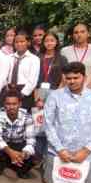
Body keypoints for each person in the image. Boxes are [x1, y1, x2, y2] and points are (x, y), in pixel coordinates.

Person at [42, 62, 91, 183]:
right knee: (51, 182)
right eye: (68, 78)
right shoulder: (55, 96)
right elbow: (48, 125)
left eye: (76, 78)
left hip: (85, 153)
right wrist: (60, 149)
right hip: (58, 151)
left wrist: (86, 150)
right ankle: (47, 163)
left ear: (84, 77)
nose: (72, 81)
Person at [33, 31, 67, 163]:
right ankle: (38, 155)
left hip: (55, 92)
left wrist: (56, 95)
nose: (49, 43)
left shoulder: (61, 59)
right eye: (46, 41)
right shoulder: (38, 57)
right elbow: (34, 78)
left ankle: (49, 156)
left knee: (52, 125)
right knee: (39, 123)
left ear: (56, 42)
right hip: (39, 91)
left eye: (52, 40)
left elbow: (64, 79)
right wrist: (37, 98)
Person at [0, 91, 36, 178]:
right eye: (8, 104)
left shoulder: (27, 117)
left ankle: (15, 164)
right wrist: (11, 153)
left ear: (20, 104)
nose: (11, 107)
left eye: (14, 104)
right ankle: (5, 164)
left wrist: (24, 153)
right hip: (4, 146)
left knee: (31, 157)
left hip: (19, 145)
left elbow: (31, 139)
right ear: (4, 104)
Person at [0, 31, 40, 109]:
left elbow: (32, 81)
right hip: (9, 92)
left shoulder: (34, 59)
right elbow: (2, 78)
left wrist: (19, 96)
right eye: (16, 42)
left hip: (24, 94)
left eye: (22, 41)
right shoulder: (8, 58)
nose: (19, 44)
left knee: (23, 118)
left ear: (28, 43)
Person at [60, 23, 91, 88]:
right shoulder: (64, 51)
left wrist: (88, 90)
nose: (79, 35)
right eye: (76, 32)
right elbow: (63, 74)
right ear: (72, 35)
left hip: (89, 90)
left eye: (82, 32)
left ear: (88, 34)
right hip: (69, 89)